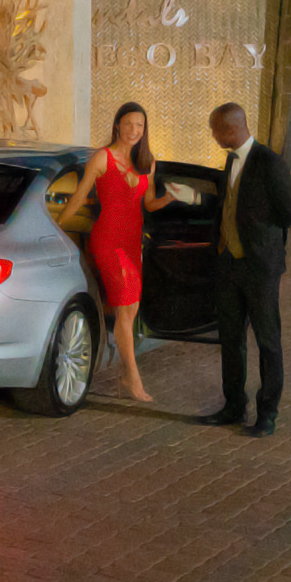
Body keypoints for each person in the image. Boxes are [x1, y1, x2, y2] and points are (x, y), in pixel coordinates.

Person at [198, 101, 291, 436]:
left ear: (231, 129)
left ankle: (267, 413)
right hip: (228, 265)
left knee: (267, 341)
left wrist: (258, 233)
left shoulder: (269, 162)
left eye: (216, 131)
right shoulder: (230, 161)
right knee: (230, 339)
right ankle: (233, 406)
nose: (214, 136)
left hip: (260, 268)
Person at [69, 102, 172, 403]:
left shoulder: (147, 162)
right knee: (125, 308)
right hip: (107, 239)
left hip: (131, 242)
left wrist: (171, 197)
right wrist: (57, 224)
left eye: (139, 125)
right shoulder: (102, 157)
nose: (133, 130)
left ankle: (124, 374)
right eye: (128, 124)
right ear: (117, 125)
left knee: (131, 308)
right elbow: (79, 198)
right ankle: (132, 378)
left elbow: (148, 203)